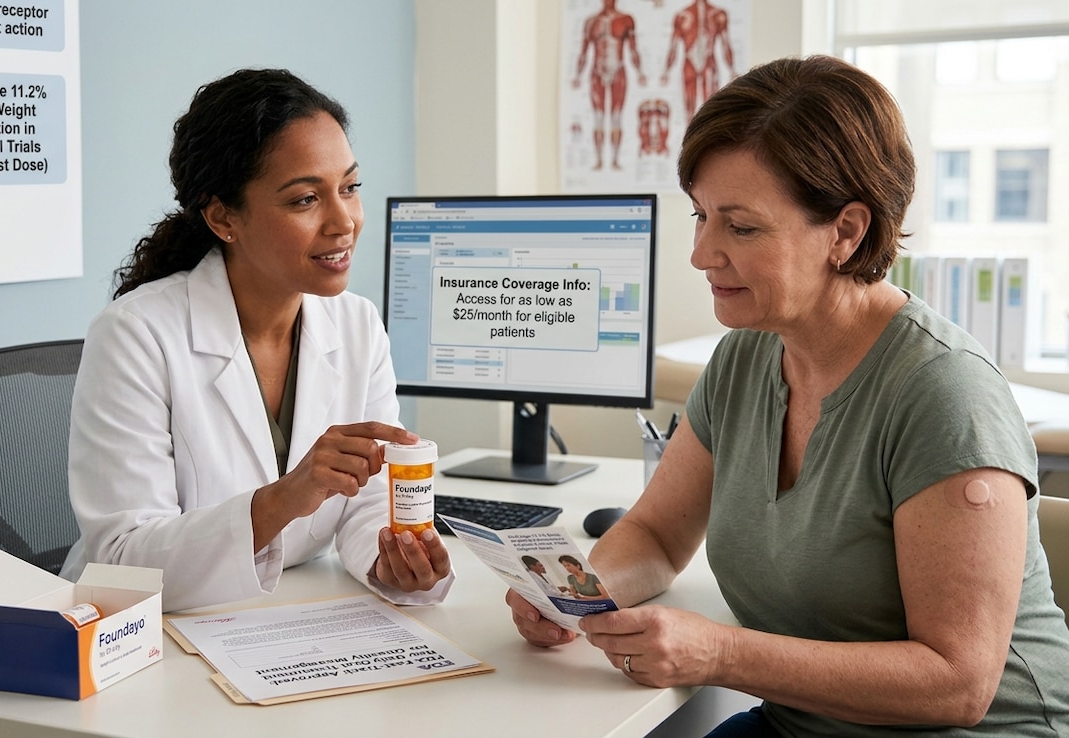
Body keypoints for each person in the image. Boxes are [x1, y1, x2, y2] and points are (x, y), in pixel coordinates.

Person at [507, 55, 1069, 736]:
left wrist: (720, 653)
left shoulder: (945, 395)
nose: (701, 253)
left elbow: (958, 684)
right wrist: (580, 594)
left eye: (740, 227)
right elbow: (656, 534)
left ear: (846, 232)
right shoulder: (746, 357)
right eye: (701, 216)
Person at [61, 68, 453, 613]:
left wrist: (390, 559)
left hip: (277, 618)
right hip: (141, 634)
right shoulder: (136, 335)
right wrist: (286, 498)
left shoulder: (357, 324)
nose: (344, 222)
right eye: (304, 200)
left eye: (350, 188)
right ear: (223, 216)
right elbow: (123, 563)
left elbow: (366, 503)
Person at [571, 0, 646, 170]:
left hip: (618, 70)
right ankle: (598, 159)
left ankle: (614, 159)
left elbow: (633, 49)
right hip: (597, 72)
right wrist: (577, 75)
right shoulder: (591, 21)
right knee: (598, 117)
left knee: (616, 117)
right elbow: (583, 52)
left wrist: (640, 72)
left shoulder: (626, 20)